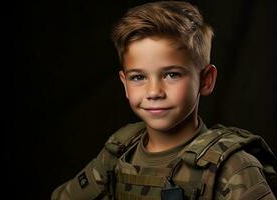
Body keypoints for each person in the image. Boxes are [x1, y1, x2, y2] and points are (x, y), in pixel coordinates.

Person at [51, 1, 277, 199]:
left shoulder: (231, 168)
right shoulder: (118, 152)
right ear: (125, 84)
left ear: (206, 80)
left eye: (171, 74)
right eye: (138, 77)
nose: (154, 91)